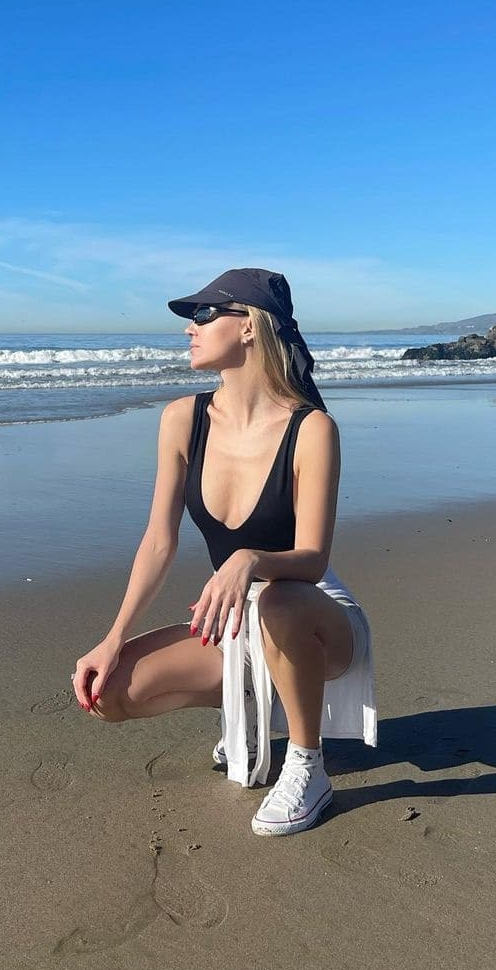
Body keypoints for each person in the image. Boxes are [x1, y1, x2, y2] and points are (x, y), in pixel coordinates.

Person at [72, 268, 376, 837]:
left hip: (315, 620)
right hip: (239, 625)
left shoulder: (311, 429)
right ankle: (253, 706)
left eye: (205, 314)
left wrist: (252, 559)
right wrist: (112, 639)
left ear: (250, 327)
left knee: (278, 603)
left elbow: (312, 559)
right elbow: (158, 541)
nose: (190, 328)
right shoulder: (182, 420)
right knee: (108, 694)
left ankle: (307, 766)